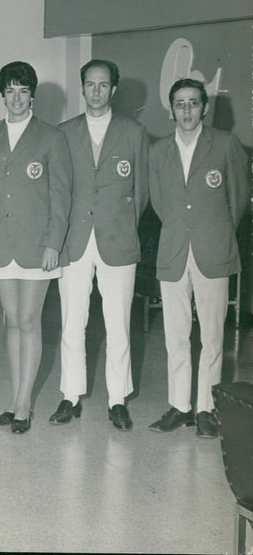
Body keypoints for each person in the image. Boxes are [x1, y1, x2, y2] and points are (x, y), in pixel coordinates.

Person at [148, 78, 249, 438]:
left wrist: (213, 231)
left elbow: (237, 201)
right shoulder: (158, 151)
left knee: (212, 337)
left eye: (193, 103)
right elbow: (160, 204)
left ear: (205, 108)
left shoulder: (225, 144)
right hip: (173, 251)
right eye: (180, 103)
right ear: (171, 109)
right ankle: (179, 406)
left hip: (214, 251)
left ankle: (207, 408)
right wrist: (183, 229)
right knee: (175, 335)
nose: (187, 110)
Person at [52, 60, 148, 431]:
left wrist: (119, 222)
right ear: (82, 88)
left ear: (114, 90)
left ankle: (118, 399)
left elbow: (141, 192)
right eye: (90, 84)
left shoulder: (133, 132)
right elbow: (59, 189)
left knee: (118, 324)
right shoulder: (64, 132)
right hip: (75, 240)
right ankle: (70, 396)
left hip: (118, 240)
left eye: (103, 85)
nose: (96, 91)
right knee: (72, 322)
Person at [0, 61, 72, 434]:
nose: (16, 98)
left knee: (30, 320)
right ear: (1, 93)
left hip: (39, 247)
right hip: (0, 243)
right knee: (11, 320)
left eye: (23, 91)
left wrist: (53, 243)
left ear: (32, 95)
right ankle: (12, 398)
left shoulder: (51, 137)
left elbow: (61, 196)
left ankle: (24, 404)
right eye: (10, 90)